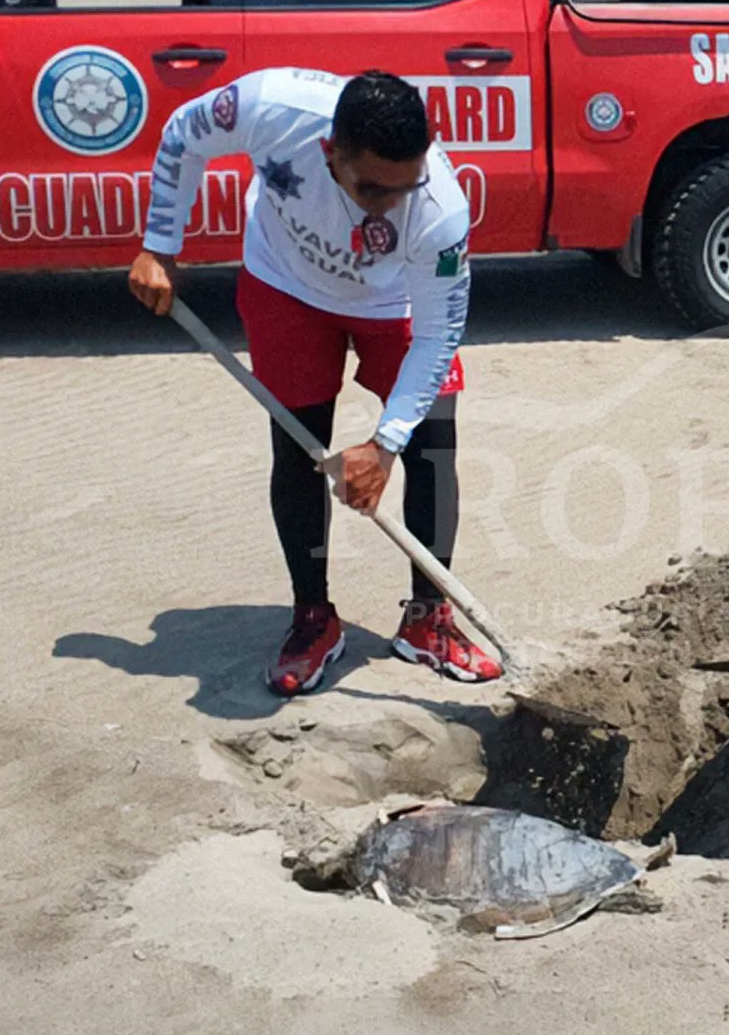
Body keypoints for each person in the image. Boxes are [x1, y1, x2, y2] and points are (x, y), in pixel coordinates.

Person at [127, 68, 501, 694]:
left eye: (405, 186)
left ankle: (429, 617)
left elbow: (438, 336)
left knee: (432, 440)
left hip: (394, 303)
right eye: (372, 188)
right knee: (298, 443)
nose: (391, 204)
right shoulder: (271, 107)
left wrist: (384, 444)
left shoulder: (441, 210)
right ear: (330, 152)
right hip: (286, 284)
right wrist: (159, 245)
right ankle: (312, 615)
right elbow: (182, 133)